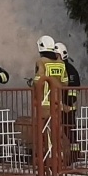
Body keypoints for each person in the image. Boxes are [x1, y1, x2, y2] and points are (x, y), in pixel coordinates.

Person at [30, 35, 69, 168]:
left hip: (44, 103)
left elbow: (38, 81)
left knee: (44, 133)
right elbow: (65, 82)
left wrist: (33, 87)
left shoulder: (41, 62)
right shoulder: (61, 63)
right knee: (56, 131)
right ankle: (59, 158)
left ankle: (46, 162)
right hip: (57, 102)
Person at [55, 41, 83, 161]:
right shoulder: (58, 68)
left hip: (67, 109)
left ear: (62, 55)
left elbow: (73, 91)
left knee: (70, 133)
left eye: (56, 56)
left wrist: (67, 104)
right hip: (58, 107)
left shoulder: (70, 71)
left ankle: (74, 157)